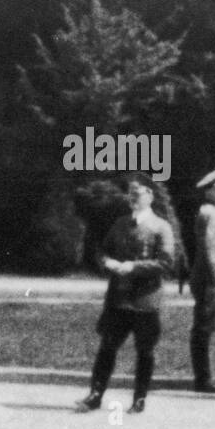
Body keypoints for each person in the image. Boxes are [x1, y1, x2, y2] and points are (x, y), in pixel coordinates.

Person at [78, 173, 177, 414]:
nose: (133, 198)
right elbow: (102, 251)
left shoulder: (161, 227)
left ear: (150, 196)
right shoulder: (120, 224)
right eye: (130, 194)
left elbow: (165, 263)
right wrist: (107, 262)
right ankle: (95, 394)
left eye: (138, 194)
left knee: (145, 351)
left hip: (145, 300)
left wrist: (134, 267)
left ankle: (139, 398)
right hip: (118, 299)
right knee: (107, 347)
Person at [189, 166, 215, 394]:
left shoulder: (214, 211)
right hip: (210, 279)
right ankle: (203, 378)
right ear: (211, 190)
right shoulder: (209, 213)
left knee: (206, 327)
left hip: (213, 278)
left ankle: (203, 377)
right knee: (204, 328)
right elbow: (209, 250)